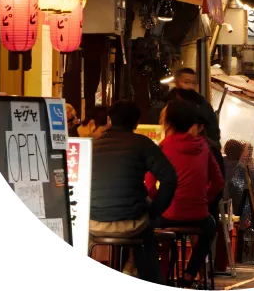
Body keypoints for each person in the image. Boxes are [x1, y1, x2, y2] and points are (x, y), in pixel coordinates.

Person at [89, 99, 177, 290]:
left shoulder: (92, 145)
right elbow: (170, 178)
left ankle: (128, 267)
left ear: (109, 120)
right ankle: (151, 282)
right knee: (146, 232)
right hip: (132, 224)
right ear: (136, 123)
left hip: (93, 224)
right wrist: (155, 211)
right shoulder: (143, 144)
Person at [146, 100, 224, 289]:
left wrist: (159, 203)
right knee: (211, 226)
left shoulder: (164, 146)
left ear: (169, 122)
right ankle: (190, 273)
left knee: (148, 229)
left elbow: (148, 184)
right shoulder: (204, 147)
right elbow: (218, 182)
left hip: (169, 215)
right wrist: (203, 201)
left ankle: (161, 277)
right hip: (199, 216)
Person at [166, 67, 221, 147]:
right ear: (177, 83)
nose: (190, 86)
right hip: (172, 146)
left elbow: (213, 129)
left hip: (199, 147)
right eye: (186, 82)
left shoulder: (202, 103)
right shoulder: (167, 103)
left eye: (193, 83)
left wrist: (210, 146)